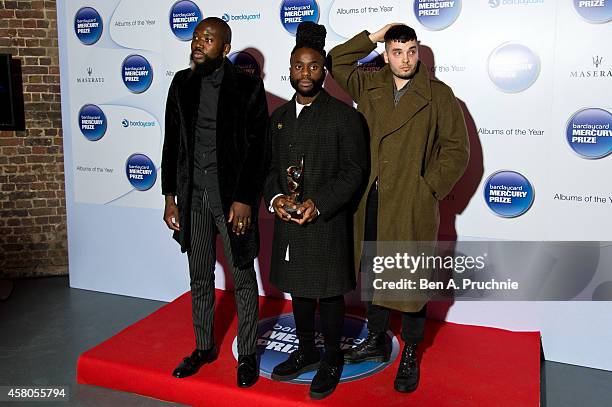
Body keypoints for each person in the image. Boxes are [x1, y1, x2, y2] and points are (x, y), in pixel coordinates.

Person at [329, 24, 469, 393]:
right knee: (375, 271)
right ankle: (376, 339)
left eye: (410, 51)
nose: (404, 59)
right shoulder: (370, 85)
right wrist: (371, 38)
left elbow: (457, 149)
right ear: (387, 53)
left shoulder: (438, 95)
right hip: (370, 199)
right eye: (396, 51)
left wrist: (428, 189)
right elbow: (336, 61)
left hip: (410, 202)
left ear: (418, 51)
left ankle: (410, 352)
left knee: (409, 280)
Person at [161, 17, 268, 388]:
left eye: (208, 39)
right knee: (200, 275)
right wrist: (170, 197)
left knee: (241, 276)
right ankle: (204, 347)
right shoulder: (181, 84)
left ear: (225, 48)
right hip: (194, 197)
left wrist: (244, 200)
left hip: (230, 199)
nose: (198, 43)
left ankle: (249, 353)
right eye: (195, 37)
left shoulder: (248, 87)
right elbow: (171, 144)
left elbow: (258, 151)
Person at [264, 22, 367, 399]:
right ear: (289, 70)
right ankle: (306, 351)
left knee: (328, 291)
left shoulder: (344, 117)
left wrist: (318, 204)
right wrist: (277, 199)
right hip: (290, 219)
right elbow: (267, 169)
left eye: (312, 66)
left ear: (324, 71)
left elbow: (354, 171)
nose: (305, 73)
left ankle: (332, 358)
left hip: (326, 219)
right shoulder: (276, 118)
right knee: (299, 289)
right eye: (298, 66)